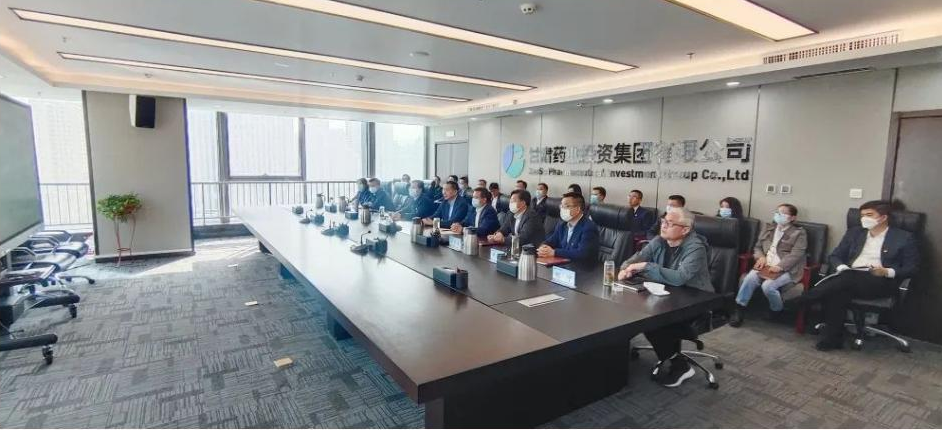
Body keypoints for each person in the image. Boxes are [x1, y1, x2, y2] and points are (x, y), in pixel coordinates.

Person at [802, 200, 919, 351]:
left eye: (869, 215)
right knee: (838, 291)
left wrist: (886, 271)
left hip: (881, 281)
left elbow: (911, 268)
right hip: (849, 277)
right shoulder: (855, 233)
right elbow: (835, 256)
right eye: (862, 215)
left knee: (841, 282)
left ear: (883, 217)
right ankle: (833, 339)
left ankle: (806, 298)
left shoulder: (904, 237)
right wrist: (842, 267)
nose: (864, 218)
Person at [618, 207, 712, 388]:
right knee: (632, 309)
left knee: (650, 319)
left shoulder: (696, 248)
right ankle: (615, 352)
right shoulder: (659, 241)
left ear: (685, 229)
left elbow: (680, 278)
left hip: (695, 301)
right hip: (665, 296)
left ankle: (681, 366)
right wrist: (626, 269)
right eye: (663, 221)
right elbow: (634, 260)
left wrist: (645, 266)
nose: (663, 226)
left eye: (669, 223)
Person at [730, 204, 807, 327]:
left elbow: (797, 254)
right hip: (766, 265)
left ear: (793, 218)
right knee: (749, 279)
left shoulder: (799, 233)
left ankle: (776, 310)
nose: (778, 215)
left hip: (787, 269)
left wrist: (780, 266)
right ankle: (739, 308)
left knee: (768, 286)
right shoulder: (768, 228)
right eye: (777, 212)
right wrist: (760, 257)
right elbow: (757, 247)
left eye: (783, 213)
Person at [538, 192, 599, 266]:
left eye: (566, 206)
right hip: (564, 265)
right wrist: (543, 247)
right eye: (561, 206)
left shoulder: (588, 227)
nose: (562, 209)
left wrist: (554, 252)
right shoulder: (562, 224)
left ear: (577, 209)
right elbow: (551, 241)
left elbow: (582, 253)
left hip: (582, 268)